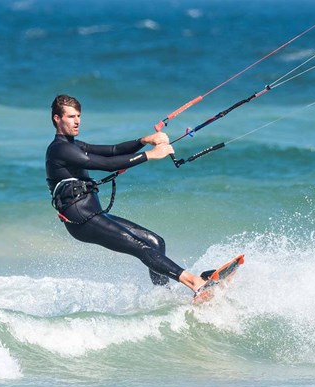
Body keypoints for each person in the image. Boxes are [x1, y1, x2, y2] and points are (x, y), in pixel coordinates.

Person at [45, 94, 213, 294]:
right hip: (81, 219)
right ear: (57, 118)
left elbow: (113, 150)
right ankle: (195, 282)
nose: (77, 121)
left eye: (79, 116)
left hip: (93, 214)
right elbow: (106, 165)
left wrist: (144, 140)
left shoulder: (75, 145)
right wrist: (150, 155)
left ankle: (163, 294)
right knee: (141, 247)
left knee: (155, 242)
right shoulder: (59, 149)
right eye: (71, 117)